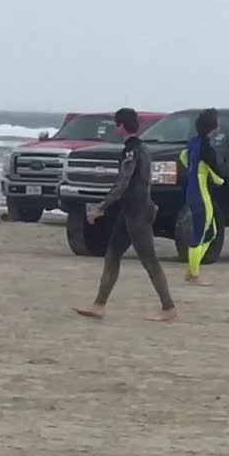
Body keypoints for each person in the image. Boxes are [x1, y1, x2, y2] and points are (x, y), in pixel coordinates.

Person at [74, 108, 177, 322]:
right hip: (131, 211)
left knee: (149, 260)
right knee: (112, 255)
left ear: (120, 126)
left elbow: (123, 183)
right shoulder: (144, 149)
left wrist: (100, 207)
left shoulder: (132, 151)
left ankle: (168, 307)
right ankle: (99, 304)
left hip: (136, 212)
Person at [180, 108, 226, 285]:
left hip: (192, 190)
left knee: (211, 232)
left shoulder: (193, 143)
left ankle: (193, 268)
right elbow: (219, 179)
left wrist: (195, 170)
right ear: (212, 128)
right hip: (201, 193)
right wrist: (215, 177)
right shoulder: (208, 150)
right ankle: (193, 275)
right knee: (200, 233)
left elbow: (183, 157)